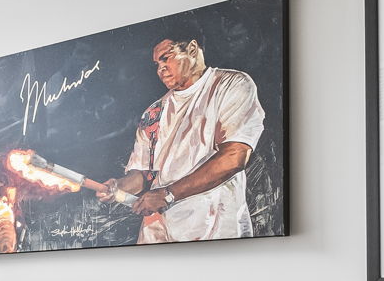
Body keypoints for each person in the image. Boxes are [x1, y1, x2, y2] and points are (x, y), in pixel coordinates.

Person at [83, 26, 266, 243]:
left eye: (166, 58)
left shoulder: (230, 85)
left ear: (192, 48)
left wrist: (168, 194)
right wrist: (119, 186)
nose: (161, 69)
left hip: (215, 230)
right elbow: (144, 174)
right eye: (156, 64)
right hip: (156, 233)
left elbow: (235, 156)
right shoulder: (154, 112)